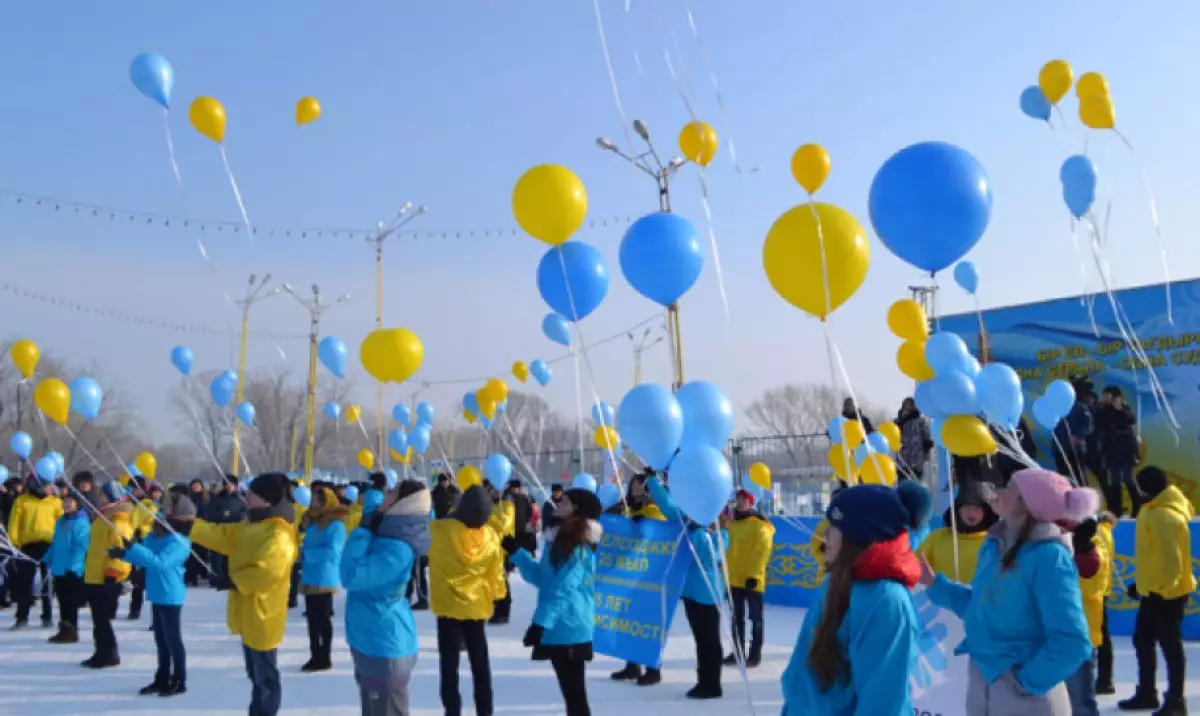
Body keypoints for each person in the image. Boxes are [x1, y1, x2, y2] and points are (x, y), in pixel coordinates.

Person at [920, 468, 1096, 716]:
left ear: (1027, 504)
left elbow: (1073, 641)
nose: (999, 492)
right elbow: (980, 606)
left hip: (1025, 699)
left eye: (1010, 487)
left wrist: (1023, 683)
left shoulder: (1049, 557)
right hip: (984, 685)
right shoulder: (994, 545)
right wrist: (934, 583)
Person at [781, 481, 933, 715]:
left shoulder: (887, 603)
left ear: (859, 536)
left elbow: (881, 706)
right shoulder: (834, 582)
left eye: (835, 526)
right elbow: (804, 682)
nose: (825, 534)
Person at [190, 472, 297, 716]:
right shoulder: (252, 523)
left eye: (253, 494)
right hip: (248, 611)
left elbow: (268, 571)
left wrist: (233, 581)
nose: (246, 496)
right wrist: (190, 526)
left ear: (267, 500)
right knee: (254, 674)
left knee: (266, 676)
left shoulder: (278, 533)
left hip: (263, 613)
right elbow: (223, 536)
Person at [508, 487, 604, 716]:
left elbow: (563, 590)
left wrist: (540, 623)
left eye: (566, 502)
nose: (559, 503)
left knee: (576, 699)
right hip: (559, 627)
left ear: (577, 510)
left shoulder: (579, 547)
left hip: (570, 626)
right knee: (571, 696)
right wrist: (517, 553)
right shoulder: (558, 541)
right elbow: (542, 578)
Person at [340, 479, 431, 716]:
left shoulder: (397, 548)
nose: (385, 494)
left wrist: (363, 530)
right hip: (371, 640)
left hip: (384, 645)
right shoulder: (386, 536)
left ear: (402, 503)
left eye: (392, 492)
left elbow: (350, 576)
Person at [1118, 466, 1195, 715]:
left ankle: (1175, 700)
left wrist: (1160, 589)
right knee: (1143, 639)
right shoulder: (1160, 509)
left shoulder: (1162, 516)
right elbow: (1154, 557)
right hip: (1156, 590)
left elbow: (1170, 561)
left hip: (1165, 594)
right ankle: (1148, 692)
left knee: (1169, 645)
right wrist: (1140, 584)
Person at [646, 474, 728, 700]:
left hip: (707, 593)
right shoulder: (687, 523)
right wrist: (653, 480)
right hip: (690, 591)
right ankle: (704, 679)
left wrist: (700, 531)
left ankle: (712, 683)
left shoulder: (714, 534)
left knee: (709, 639)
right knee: (701, 638)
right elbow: (667, 504)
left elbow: (711, 555)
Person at [428, 484, 507, 716]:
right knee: (480, 663)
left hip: (448, 607)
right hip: (476, 606)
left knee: (449, 664)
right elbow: (497, 572)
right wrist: (497, 595)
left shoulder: (440, 531)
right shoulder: (491, 537)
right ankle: (485, 710)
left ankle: (452, 709)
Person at [120, 492, 195, 697]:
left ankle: (179, 679)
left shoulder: (179, 542)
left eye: (167, 509)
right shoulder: (157, 535)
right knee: (160, 639)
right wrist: (125, 551)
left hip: (171, 594)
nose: (162, 512)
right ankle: (161, 678)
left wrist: (134, 548)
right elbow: (145, 554)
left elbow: (159, 563)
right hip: (156, 592)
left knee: (173, 639)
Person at [610, 471, 669, 686]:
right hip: (628, 574)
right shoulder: (626, 509)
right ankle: (632, 664)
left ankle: (653, 668)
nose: (636, 489)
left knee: (647, 623)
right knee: (627, 620)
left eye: (640, 486)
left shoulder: (654, 511)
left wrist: (643, 523)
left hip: (649, 576)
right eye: (633, 485)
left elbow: (659, 534)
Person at [82, 481, 136, 669]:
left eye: (103, 494)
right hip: (95, 574)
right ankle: (101, 652)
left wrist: (113, 573)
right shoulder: (103, 516)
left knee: (102, 619)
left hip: (107, 576)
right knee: (98, 619)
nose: (100, 497)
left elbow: (120, 549)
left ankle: (109, 654)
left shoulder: (118, 519)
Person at [1064, 516, 1111, 716]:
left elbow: (1093, 580)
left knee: (1080, 705)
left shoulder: (1096, 540)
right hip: (1043, 636)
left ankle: (1106, 680)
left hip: (1077, 634)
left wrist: (1082, 548)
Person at [298, 486, 348, 672]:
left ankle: (324, 657)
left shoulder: (336, 525)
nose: (313, 503)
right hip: (311, 575)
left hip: (325, 577)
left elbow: (333, 553)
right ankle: (314, 655)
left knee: (322, 620)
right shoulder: (315, 522)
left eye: (317, 500)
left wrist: (308, 554)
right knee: (312, 620)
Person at [723, 488, 775, 668]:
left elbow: (763, 551)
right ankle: (737, 651)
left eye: (745, 499)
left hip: (752, 579)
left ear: (751, 502)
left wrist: (753, 574)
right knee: (736, 618)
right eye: (739, 499)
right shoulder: (731, 523)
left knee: (755, 618)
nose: (741, 502)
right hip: (734, 578)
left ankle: (755, 654)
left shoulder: (760, 524)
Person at [8, 474, 62, 630]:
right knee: (24, 582)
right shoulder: (22, 501)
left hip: (49, 545)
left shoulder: (55, 502)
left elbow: (61, 523)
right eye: (47, 485)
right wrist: (14, 543)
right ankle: (21, 617)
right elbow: (14, 523)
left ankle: (47, 616)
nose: (50, 488)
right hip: (28, 546)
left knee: (47, 583)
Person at [917, 481, 999, 582]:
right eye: (967, 506)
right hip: (939, 595)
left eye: (977, 508)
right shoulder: (937, 537)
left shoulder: (993, 543)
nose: (971, 512)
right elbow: (914, 566)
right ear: (958, 509)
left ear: (986, 512)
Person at [44, 489, 90, 644]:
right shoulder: (60, 521)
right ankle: (64, 629)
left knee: (70, 601)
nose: (66, 504)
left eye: (70, 501)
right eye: (65, 501)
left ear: (77, 504)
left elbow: (80, 547)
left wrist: (74, 567)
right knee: (62, 600)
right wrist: (46, 559)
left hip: (72, 570)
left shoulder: (81, 522)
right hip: (59, 567)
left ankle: (72, 630)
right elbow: (55, 544)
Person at [1095, 387, 1143, 517]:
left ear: (1116, 396)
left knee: (1128, 478)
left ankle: (1138, 507)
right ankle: (1116, 509)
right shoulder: (1102, 410)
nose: (1105, 397)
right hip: (1111, 450)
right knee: (1115, 480)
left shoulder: (1124, 408)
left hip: (1126, 449)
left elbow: (1131, 420)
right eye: (1104, 395)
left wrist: (1119, 409)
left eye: (1107, 395)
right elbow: (1099, 423)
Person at [203, 477, 245, 591]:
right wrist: (221, 514)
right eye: (226, 484)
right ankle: (217, 579)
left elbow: (245, 513)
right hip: (219, 531)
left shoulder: (241, 499)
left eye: (231, 484)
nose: (228, 487)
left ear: (236, 486)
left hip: (235, 532)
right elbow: (210, 513)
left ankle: (230, 578)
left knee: (231, 557)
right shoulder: (216, 498)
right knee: (217, 558)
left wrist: (237, 516)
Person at [127, 479, 161, 621]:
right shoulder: (135, 504)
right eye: (133, 488)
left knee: (152, 580)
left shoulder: (154, 505)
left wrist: (143, 530)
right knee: (138, 581)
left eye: (138, 488)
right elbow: (131, 522)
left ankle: (157, 616)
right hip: (137, 542)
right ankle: (135, 609)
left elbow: (157, 523)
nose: (136, 491)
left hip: (152, 544)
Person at [1053, 381, 1094, 486]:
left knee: (1079, 476)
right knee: (1064, 479)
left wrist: (1078, 436)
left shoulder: (1080, 407)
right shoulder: (1055, 409)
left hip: (1076, 448)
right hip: (1060, 449)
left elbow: (1088, 426)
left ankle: (1085, 499)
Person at [1095, 512, 1118, 695]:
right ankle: (1105, 679)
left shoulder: (1097, 533)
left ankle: (1104, 680)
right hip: (1102, 590)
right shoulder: (1106, 531)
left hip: (1093, 592)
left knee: (1098, 637)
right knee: (1103, 636)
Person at [488, 484, 517, 625]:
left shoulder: (507, 505)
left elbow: (504, 525)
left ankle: (503, 611)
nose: (492, 491)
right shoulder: (491, 505)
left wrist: (489, 516)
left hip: (502, 549)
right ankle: (496, 608)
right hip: (489, 548)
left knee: (502, 580)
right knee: (493, 580)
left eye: (494, 488)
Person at [896, 398, 933, 479]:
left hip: (917, 458)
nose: (907, 407)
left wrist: (927, 445)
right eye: (905, 405)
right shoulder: (898, 421)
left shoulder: (920, 420)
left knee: (915, 482)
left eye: (909, 405)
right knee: (903, 483)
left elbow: (926, 434)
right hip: (902, 458)